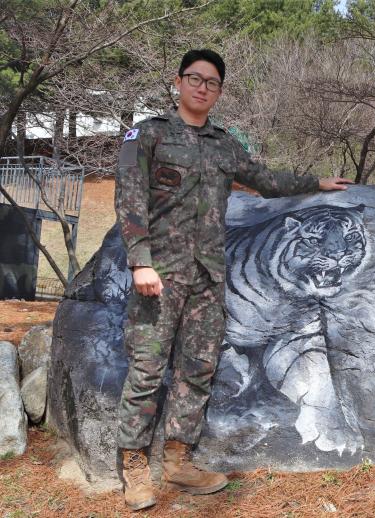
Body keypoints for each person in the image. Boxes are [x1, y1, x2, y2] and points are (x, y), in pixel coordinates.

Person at [114, 49, 352, 511]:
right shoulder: (147, 135)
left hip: (207, 278)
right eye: (195, 78)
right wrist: (140, 261)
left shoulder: (224, 145)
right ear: (177, 82)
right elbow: (129, 198)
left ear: (219, 92)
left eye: (212, 83)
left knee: (197, 369)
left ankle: (179, 459)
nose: (202, 88)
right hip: (158, 275)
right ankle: (134, 466)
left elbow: (264, 179)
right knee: (146, 368)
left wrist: (316, 183)